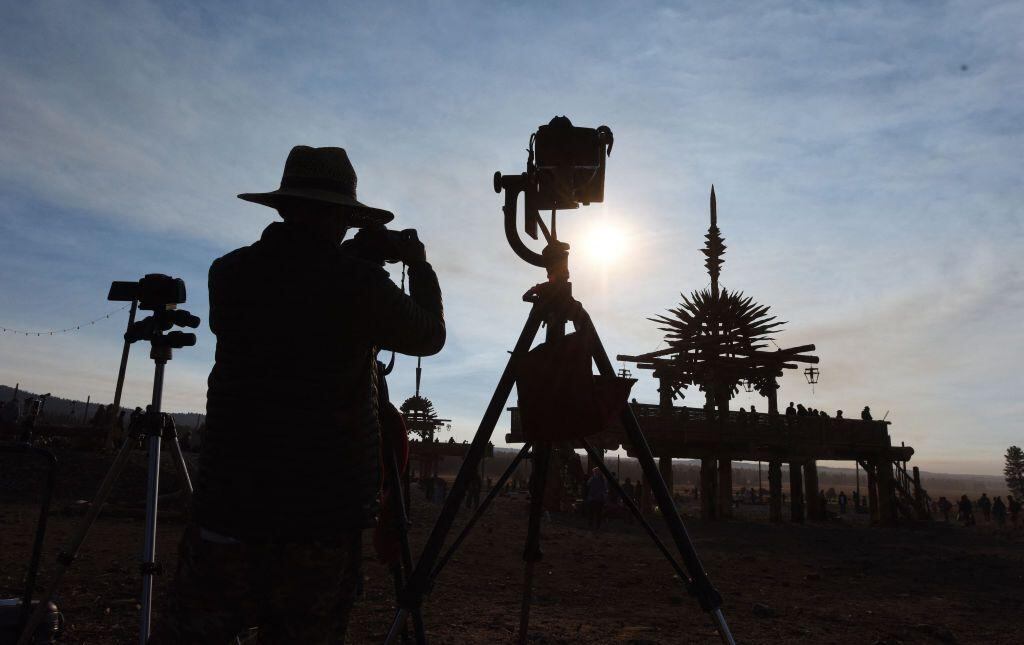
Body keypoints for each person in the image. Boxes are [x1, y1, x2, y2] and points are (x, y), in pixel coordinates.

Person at [158, 145, 445, 644]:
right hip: (320, 513)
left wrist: (353, 258)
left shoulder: (229, 273)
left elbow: (299, 285)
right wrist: (416, 264)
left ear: (284, 207)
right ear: (343, 216)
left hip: (229, 500)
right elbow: (429, 336)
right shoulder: (357, 284)